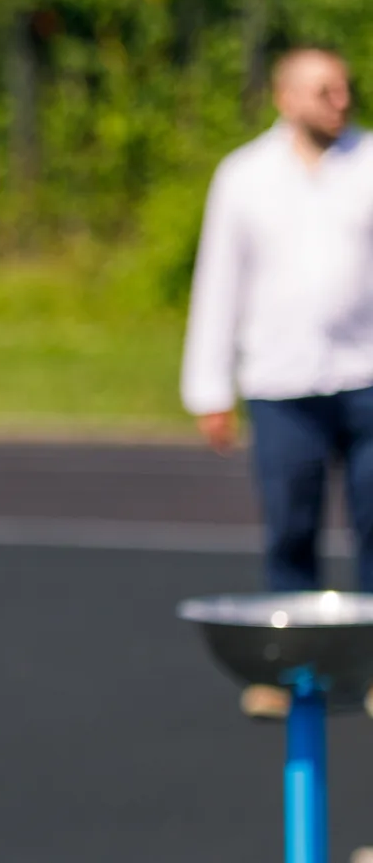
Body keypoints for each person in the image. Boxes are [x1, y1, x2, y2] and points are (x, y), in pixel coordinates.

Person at [182, 47, 373, 719]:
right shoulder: (245, 176)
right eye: (324, 90)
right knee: (291, 529)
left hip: (365, 379)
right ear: (286, 97)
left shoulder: (370, 164)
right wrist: (209, 386)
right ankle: (291, 669)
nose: (339, 101)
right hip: (282, 384)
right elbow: (219, 282)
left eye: (345, 89)